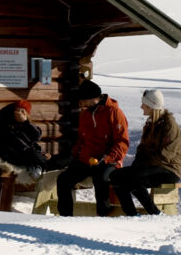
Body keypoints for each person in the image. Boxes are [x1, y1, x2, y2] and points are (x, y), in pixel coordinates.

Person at [55, 80, 129, 216]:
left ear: (94, 98)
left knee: (101, 178)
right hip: (87, 159)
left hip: (109, 160)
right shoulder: (86, 114)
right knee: (63, 179)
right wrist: (75, 156)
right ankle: (65, 218)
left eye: (83, 100)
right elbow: (82, 139)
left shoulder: (114, 113)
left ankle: (103, 217)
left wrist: (109, 157)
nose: (81, 103)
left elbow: (122, 142)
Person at [109, 89, 181, 216]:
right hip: (151, 167)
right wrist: (136, 166)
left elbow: (165, 156)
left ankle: (155, 213)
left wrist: (141, 166)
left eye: (144, 104)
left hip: (168, 169)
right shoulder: (150, 124)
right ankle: (131, 214)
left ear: (151, 105)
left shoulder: (169, 125)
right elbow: (142, 149)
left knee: (133, 178)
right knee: (116, 175)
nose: (141, 107)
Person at [0, 100, 49, 211]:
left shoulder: (22, 125)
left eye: (22, 111)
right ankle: (38, 166)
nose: (19, 113)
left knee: (41, 156)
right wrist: (37, 154)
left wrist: (41, 151)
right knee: (35, 156)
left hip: (14, 155)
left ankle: (40, 166)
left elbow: (34, 138)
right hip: (0, 157)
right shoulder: (6, 126)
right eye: (17, 111)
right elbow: (19, 144)